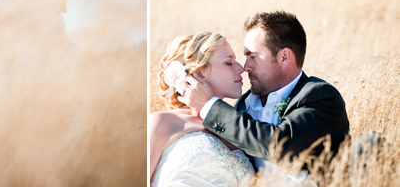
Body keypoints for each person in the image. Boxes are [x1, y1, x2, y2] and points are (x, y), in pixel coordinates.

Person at [177, 11, 350, 179]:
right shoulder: (244, 104)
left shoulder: (320, 96)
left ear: (284, 57)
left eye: (252, 56)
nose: (245, 67)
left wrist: (209, 106)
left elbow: (280, 145)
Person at [150, 31, 254, 186]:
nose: (241, 68)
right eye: (229, 62)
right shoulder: (163, 122)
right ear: (199, 72)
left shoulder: (239, 126)